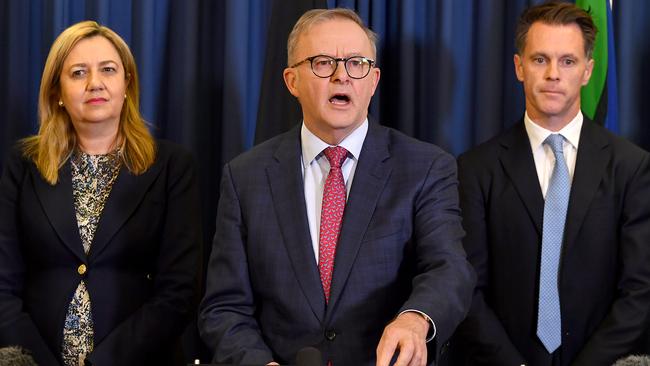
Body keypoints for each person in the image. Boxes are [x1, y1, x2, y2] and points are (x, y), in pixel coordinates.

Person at [198, 7, 475, 366]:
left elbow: (448, 268)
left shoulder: (426, 168)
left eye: (357, 63)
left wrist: (416, 319)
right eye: (323, 63)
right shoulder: (245, 177)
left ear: (373, 81)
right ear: (291, 81)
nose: (342, 76)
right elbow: (224, 307)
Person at [452, 2, 650, 365]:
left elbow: (640, 291)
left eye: (568, 61)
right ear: (519, 67)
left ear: (588, 71)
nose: (553, 74)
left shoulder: (631, 167)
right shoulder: (476, 168)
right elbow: (467, 288)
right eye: (540, 59)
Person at [0, 21, 201, 366]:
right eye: (78, 73)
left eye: (108, 70)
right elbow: (2, 285)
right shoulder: (22, 165)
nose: (95, 83)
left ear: (127, 84)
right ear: (57, 93)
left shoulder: (171, 166)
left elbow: (179, 290)